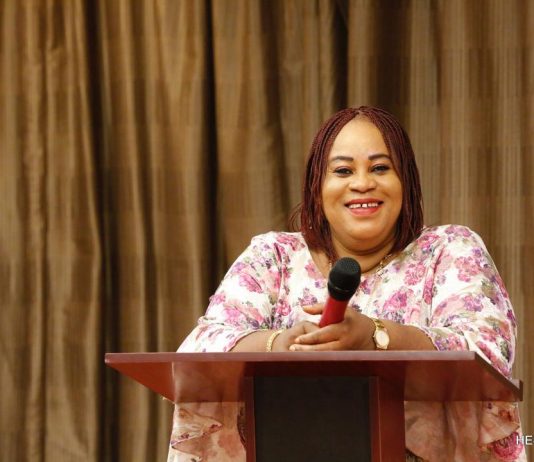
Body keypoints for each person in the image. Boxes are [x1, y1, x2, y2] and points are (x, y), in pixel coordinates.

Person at [168, 106, 525, 461]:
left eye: (380, 168)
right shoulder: (273, 257)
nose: (362, 183)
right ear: (317, 188)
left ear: (406, 182)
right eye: (343, 170)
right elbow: (199, 350)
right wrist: (281, 344)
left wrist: (375, 337)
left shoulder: (448, 250)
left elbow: (485, 350)